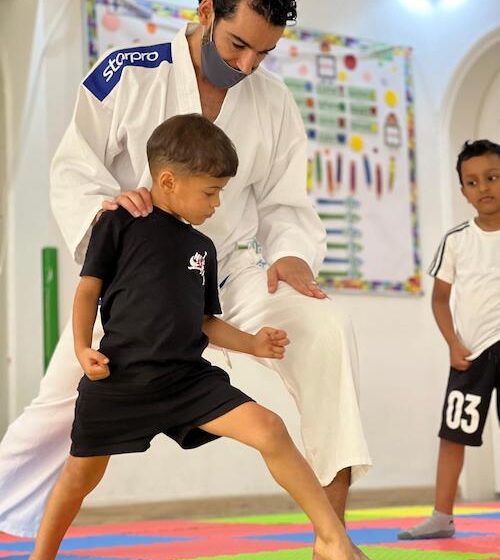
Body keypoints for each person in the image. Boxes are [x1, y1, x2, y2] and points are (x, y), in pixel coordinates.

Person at [0, 1, 371, 556]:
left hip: (229, 268)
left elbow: (285, 200)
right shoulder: (128, 71)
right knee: (55, 411)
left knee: (327, 328)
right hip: (134, 277)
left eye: (264, 52)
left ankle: (331, 536)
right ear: (207, 10)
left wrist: (292, 253)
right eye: (238, 45)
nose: (248, 65)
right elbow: (74, 165)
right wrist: (108, 210)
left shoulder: (273, 100)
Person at [28, 114, 355, 560]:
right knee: (79, 478)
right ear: (168, 181)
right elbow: (88, 290)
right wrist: (82, 348)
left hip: (186, 379)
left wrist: (253, 343)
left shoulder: (203, 248)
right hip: (121, 379)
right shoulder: (118, 223)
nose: (218, 203)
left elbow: (204, 320)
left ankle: (333, 539)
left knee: (270, 429)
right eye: (210, 192)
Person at [398, 139, 500, 540]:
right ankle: (442, 516)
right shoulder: (456, 239)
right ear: (463, 191)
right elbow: (440, 299)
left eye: (492, 177)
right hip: (471, 353)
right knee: (453, 432)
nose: (484, 187)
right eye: (473, 182)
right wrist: (453, 344)